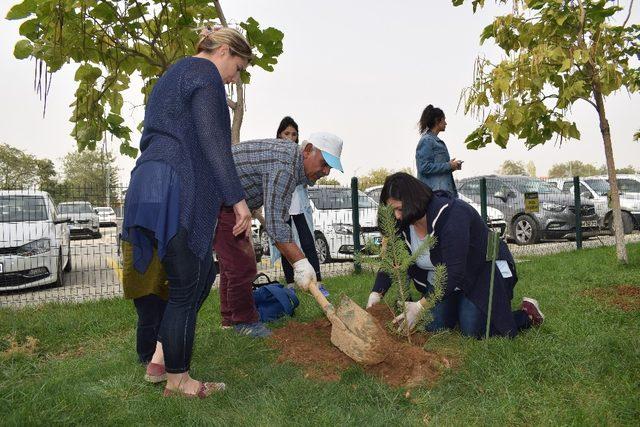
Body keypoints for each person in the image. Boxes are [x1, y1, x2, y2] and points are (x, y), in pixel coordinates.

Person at [121, 26, 253, 398]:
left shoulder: (172, 73)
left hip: (146, 181)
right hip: (174, 184)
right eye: (238, 67)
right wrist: (237, 198)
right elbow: (215, 144)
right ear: (224, 51)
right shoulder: (206, 74)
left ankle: (160, 358)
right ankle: (179, 381)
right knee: (187, 282)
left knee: (201, 271)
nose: (234, 78)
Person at [366, 172, 544, 338]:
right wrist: (376, 294)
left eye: (399, 209)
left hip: (480, 274)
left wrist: (420, 306)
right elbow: (392, 259)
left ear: (414, 200)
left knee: (473, 328)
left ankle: (527, 313)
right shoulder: (403, 224)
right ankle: (461, 307)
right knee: (435, 326)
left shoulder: (453, 214)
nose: (397, 217)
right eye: (392, 211)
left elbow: (454, 271)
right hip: (442, 284)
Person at [214, 133, 343, 338]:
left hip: (230, 203)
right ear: (308, 150)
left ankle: (230, 320)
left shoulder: (291, 163)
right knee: (241, 264)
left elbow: (278, 217)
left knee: (234, 264)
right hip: (219, 199)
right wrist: (301, 262)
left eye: (330, 167)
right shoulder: (285, 166)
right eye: (324, 164)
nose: (326, 172)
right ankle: (244, 321)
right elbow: (276, 224)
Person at [270, 117, 325, 292]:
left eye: (294, 134)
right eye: (286, 133)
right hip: (282, 208)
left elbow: (310, 181)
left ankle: (318, 282)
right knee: (286, 244)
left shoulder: (303, 155)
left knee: (308, 243)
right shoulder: (273, 154)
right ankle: (291, 285)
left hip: (298, 208)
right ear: (279, 135)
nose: (290, 137)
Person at [415, 105, 462, 197]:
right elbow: (423, 167)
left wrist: (452, 166)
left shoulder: (435, 141)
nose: (446, 123)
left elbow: (437, 169)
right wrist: (448, 165)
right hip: (434, 195)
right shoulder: (427, 141)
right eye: (444, 120)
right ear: (437, 121)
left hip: (442, 194)